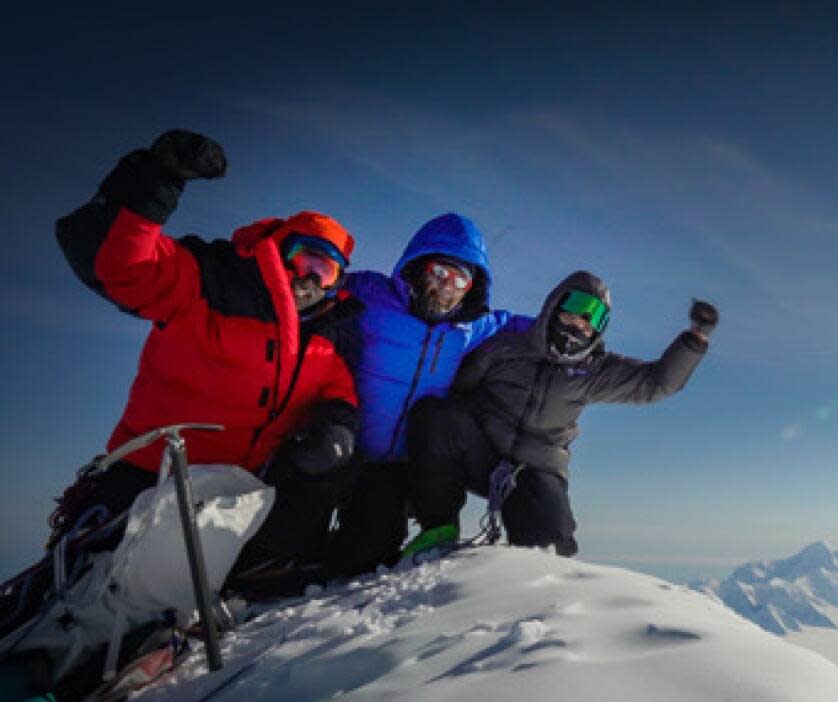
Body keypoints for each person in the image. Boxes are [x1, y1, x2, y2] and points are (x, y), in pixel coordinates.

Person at [52, 129, 364, 586]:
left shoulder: (323, 340)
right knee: (81, 589)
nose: (308, 279)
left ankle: (263, 568)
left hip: (235, 494)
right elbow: (122, 267)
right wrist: (154, 182)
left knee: (336, 461)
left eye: (325, 271)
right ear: (277, 251)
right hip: (148, 477)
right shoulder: (209, 279)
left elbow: (340, 394)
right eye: (302, 259)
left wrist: (338, 426)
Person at [402, 270, 718, 559]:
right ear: (555, 305)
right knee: (435, 414)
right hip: (481, 452)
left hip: (534, 469)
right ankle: (438, 530)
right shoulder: (507, 345)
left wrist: (695, 340)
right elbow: (457, 387)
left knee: (549, 548)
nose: (582, 321)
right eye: (577, 306)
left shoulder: (594, 370)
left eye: (594, 316)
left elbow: (656, 384)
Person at [325, 213, 528, 576]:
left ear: (472, 288)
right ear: (419, 268)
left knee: (362, 557)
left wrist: (577, 329)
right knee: (298, 533)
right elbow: (317, 279)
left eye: (460, 279)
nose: (447, 286)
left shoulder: (468, 328)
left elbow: (516, 325)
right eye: (439, 272)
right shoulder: (372, 296)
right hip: (342, 445)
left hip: (392, 469)